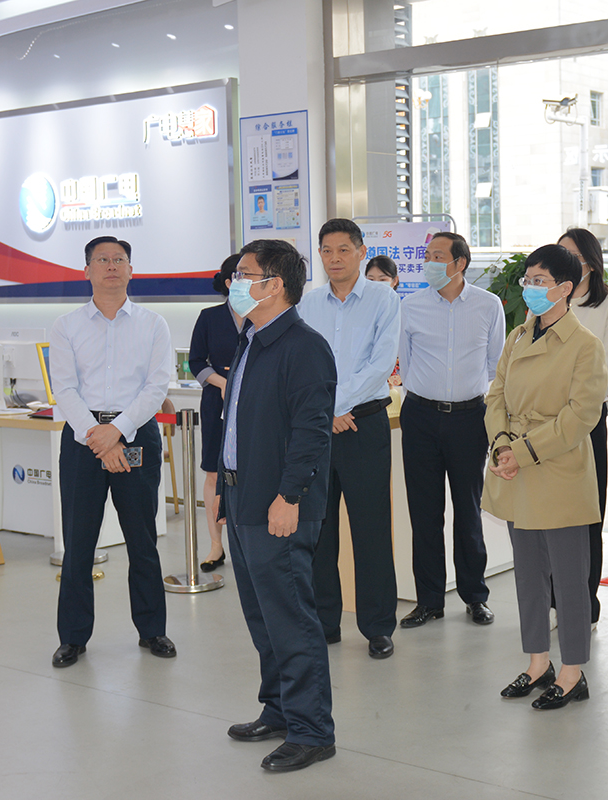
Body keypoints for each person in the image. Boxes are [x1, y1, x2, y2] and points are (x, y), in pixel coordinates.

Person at [219, 238, 337, 773]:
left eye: (245, 275)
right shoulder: (251, 339)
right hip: (243, 495)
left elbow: (312, 433)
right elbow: (237, 424)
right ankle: (279, 709)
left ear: (277, 284)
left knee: (291, 619)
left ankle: (312, 731)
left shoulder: (304, 347)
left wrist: (289, 497)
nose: (235, 284)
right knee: (262, 616)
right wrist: (225, 489)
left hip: (279, 503)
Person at [483, 244, 605, 709]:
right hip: (514, 468)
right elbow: (496, 396)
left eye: (539, 281)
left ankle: (572, 672)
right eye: (527, 280)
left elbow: (581, 416)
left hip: (557, 470)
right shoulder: (517, 336)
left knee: (570, 580)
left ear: (565, 288)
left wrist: (521, 451)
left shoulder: (584, 345)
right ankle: (538, 663)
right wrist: (500, 445)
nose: (530, 288)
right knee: (528, 576)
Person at [49, 236, 175, 667]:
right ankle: (73, 638)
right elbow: (64, 388)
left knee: (142, 540)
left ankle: (153, 630)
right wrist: (97, 436)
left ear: (130, 269)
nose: (111, 266)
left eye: (119, 259)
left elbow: (156, 387)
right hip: (83, 441)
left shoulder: (153, 324)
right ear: (86, 270)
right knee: (78, 543)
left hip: (136, 436)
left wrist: (116, 432)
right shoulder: (66, 326)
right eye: (101, 260)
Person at [300, 218, 401, 659]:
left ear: (361, 252)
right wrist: (327, 412)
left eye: (344, 249)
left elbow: (381, 363)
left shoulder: (384, 299)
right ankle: (324, 622)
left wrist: (337, 407)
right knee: (318, 529)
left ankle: (377, 626)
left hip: (364, 424)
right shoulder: (307, 303)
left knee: (371, 527)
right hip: (318, 428)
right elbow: (303, 365)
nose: (335, 258)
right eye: (327, 250)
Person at [397, 231, 504, 630]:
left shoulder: (488, 305)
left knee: (468, 509)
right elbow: (405, 362)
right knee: (425, 513)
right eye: (427, 255)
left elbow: (495, 364)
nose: (429, 262)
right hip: (420, 416)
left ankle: (475, 597)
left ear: (460, 263)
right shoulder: (410, 306)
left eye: (437, 256)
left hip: (469, 417)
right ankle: (429, 601)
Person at [557, 227, 608, 625]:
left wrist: (570, 405)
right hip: (545, 423)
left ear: (591, 263)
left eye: (573, 257)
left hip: (586, 423)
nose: (565, 264)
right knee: (551, 514)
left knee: (587, 513)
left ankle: (586, 599)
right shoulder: (548, 302)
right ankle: (555, 599)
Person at [188, 254, 244, 570]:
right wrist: (222, 382)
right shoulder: (209, 317)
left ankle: (247, 545)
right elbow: (196, 361)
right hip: (216, 402)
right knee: (213, 472)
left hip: (254, 404)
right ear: (229, 282)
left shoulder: (263, 314)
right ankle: (215, 545)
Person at [364, 255, 402, 386]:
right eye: (371, 279)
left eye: (382, 280)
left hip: (396, 378)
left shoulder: (403, 309)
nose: (376, 284)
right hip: (365, 379)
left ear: (395, 281)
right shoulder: (358, 309)